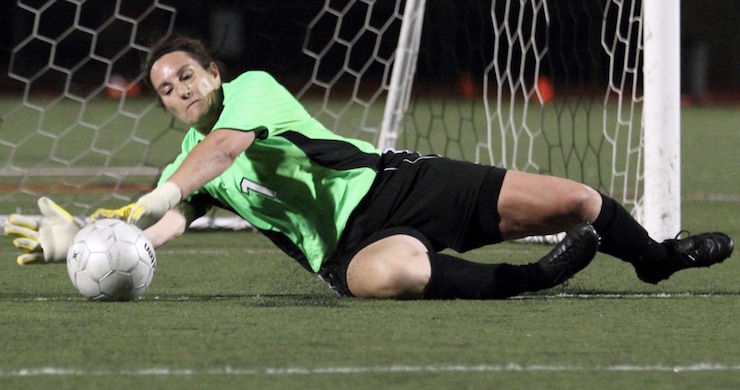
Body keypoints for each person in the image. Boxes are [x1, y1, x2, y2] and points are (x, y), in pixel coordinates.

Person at [5, 36, 734, 300]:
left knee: (579, 201)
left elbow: (222, 152)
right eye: (167, 88)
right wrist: (100, 240)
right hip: (348, 250)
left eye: (187, 75)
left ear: (212, 71)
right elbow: (168, 225)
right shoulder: (189, 165)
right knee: (392, 278)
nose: (181, 90)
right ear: (163, 103)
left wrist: (162, 188)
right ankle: (532, 279)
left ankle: (657, 259)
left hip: (397, 182)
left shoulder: (248, 92)